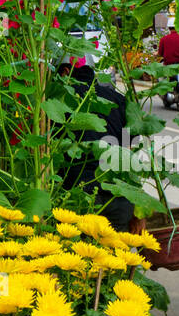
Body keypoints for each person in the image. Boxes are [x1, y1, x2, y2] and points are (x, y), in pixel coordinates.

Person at [57, 62, 137, 232]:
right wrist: (138, 210)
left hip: (79, 196)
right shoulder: (119, 99)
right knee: (116, 255)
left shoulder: (60, 102)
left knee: (81, 255)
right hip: (119, 197)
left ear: (65, 72)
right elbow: (130, 157)